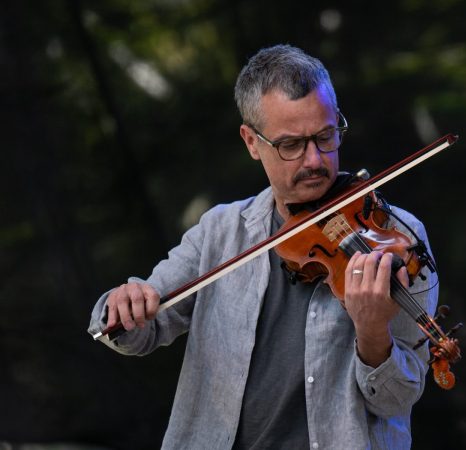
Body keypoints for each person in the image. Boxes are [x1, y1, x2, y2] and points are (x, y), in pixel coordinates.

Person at [88, 44, 439, 450]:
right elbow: (139, 333)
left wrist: (373, 332)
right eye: (291, 145)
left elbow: (397, 399)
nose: (315, 160)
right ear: (252, 142)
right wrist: (123, 305)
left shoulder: (397, 239)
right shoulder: (219, 232)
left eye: (326, 136)